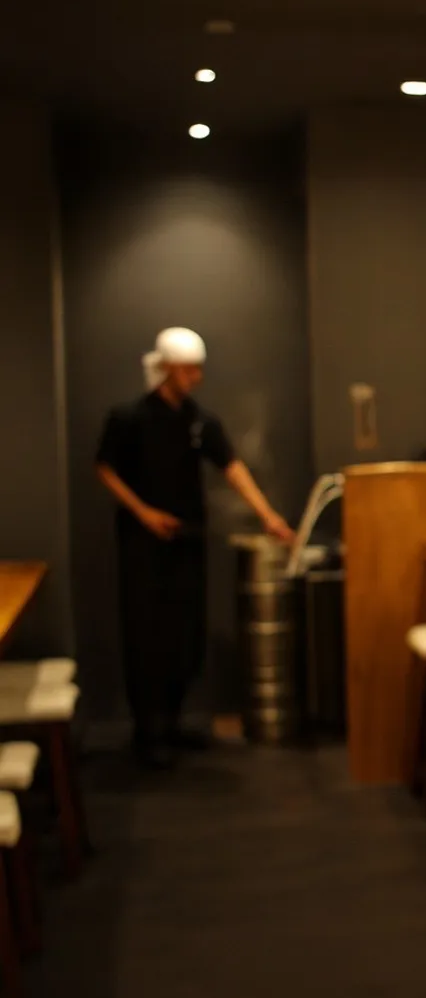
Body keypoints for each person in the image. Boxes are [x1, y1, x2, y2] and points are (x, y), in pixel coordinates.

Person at [95, 327, 296, 768]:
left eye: (198, 368)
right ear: (166, 368)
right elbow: (106, 470)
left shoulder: (200, 421)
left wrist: (269, 516)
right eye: (188, 368)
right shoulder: (127, 418)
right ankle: (148, 731)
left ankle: (173, 720)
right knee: (145, 633)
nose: (196, 377)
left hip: (186, 540)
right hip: (142, 545)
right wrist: (143, 512)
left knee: (184, 631)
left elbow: (232, 467)